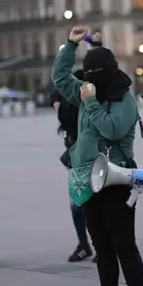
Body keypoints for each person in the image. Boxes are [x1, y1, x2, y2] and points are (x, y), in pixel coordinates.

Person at [52, 25, 143, 286]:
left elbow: (113, 129)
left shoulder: (124, 99)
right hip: (88, 179)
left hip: (117, 178)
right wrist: (70, 47)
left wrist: (92, 102)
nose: (88, 80)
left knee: (124, 245)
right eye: (87, 74)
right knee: (102, 246)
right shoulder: (85, 90)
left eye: (94, 74)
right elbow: (59, 78)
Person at [51, 83, 93, 263]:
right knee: (79, 203)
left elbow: (68, 121)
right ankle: (85, 244)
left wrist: (59, 107)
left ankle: (93, 244)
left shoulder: (83, 104)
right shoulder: (73, 98)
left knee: (86, 203)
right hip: (77, 157)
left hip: (88, 156)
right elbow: (54, 91)